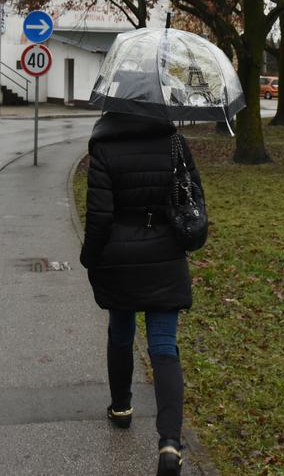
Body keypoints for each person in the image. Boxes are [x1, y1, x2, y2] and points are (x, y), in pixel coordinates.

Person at [80, 109, 200, 476]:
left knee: (121, 331)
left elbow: (99, 216)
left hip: (120, 256)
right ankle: (169, 443)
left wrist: (91, 258)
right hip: (165, 254)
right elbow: (193, 199)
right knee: (164, 347)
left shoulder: (103, 146)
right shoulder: (175, 143)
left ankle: (122, 407)